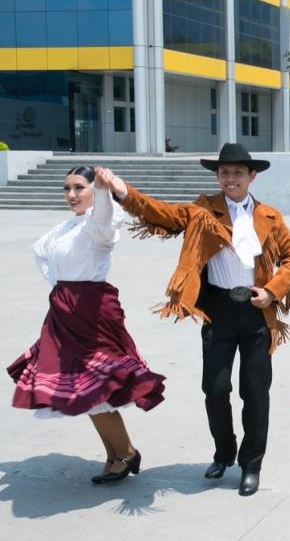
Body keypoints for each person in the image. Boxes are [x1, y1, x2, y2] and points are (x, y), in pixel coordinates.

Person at [99, 143, 290, 496]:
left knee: (255, 393)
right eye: (224, 173)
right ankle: (224, 453)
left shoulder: (270, 216)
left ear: (252, 176)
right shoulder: (202, 211)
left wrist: (271, 290)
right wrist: (122, 191)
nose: (230, 178)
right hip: (219, 311)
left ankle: (251, 464)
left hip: (258, 312)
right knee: (215, 389)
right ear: (217, 176)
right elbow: (161, 213)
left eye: (238, 172)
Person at [7, 165, 166, 484]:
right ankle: (115, 453)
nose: (71, 195)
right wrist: (59, 285)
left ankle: (127, 452)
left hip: (93, 314)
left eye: (79, 187)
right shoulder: (65, 227)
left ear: (95, 191)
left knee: (97, 389)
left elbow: (103, 218)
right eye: (67, 189)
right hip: (64, 312)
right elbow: (39, 252)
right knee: (83, 392)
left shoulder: (99, 226)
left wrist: (107, 191)